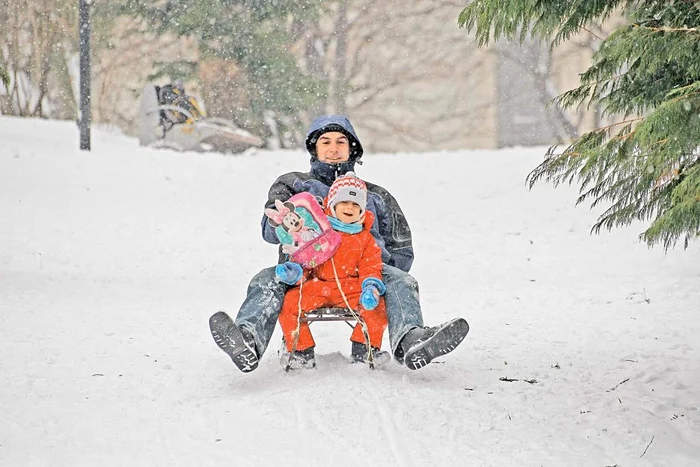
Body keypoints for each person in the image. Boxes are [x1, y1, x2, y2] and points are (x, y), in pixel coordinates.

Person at [209, 114, 469, 373]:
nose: (333, 149)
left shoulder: (376, 196)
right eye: (325, 142)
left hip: (361, 273)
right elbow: (269, 230)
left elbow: (401, 247)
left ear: (351, 148)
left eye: (341, 142)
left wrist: (369, 269)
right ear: (315, 148)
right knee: (264, 280)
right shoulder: (292, 185)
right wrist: (285, 224)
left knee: (403, 281)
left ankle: (412, 340)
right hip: (305, 272)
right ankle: (248, 340)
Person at [275, 173, 390, 370]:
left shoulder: (365, 239)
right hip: (318, 285)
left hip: (350, 288)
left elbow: (370, 265)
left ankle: (365, 349)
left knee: (378, 306)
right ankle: (301, 351)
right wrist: (296, 273)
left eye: (355, 205)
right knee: (289, 304)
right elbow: (306, 259)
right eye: (344, 202)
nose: (349, 208)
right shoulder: (319, 232)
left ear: (362, 211)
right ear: (333, 205)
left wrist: (370, 286)